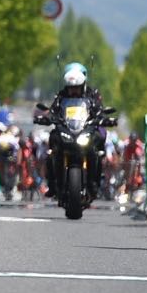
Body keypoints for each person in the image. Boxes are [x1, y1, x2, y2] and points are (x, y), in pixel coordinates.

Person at [43, 62, 105, 198]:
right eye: (71, 88)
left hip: (84, 129)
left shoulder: (92, 95)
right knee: (52, 146)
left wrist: (102, 117)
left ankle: (94, 183)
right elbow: (53, 110)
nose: (73, 91)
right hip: (66, 130)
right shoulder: (61, 96)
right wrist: (47, 117)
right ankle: (53, 184)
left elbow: (99, 110)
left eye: (76, 88)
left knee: (97, 149)